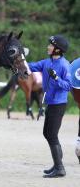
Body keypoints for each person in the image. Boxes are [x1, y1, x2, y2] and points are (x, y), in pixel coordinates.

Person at [29, 35, 71, 178]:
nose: (48, 47)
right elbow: (32, 66)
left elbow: (68, 86)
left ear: (58, 50)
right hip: (50, 103)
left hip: (59, 104)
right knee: (47, 133)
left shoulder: (64, 65)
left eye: (51, 45)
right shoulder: (47, 62)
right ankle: (57, 164)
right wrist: (18, 62)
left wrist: (56, 78)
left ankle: (60, 168)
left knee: (51, 135)